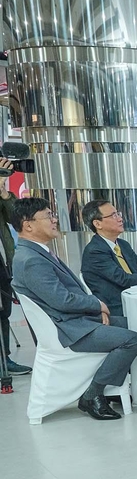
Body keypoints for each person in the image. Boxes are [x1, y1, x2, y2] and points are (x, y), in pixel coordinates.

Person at [11, 198, 137, 420]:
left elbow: (70, 294)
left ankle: (130, 389)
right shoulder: (31, 260)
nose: (55, 220)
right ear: (28, 224)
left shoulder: (37, 253)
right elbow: (62, 300)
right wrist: (98, 304)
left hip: (76, 320)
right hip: (69, 329)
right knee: (132, 339)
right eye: (49, 216)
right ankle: (94, 394)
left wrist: (95, 308)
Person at [80, 199, 137, 317]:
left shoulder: (123, 244)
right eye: (113, 215)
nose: (120, 219)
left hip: (136, 301)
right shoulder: (94, 251)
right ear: (97, 224)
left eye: (118, 214)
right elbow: (123, 279)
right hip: (117, 309)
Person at [0, 160, 31, 375]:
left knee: (4, 309)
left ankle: (5, 358)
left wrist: (3, 191)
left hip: (2, 259)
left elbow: (15, 219)